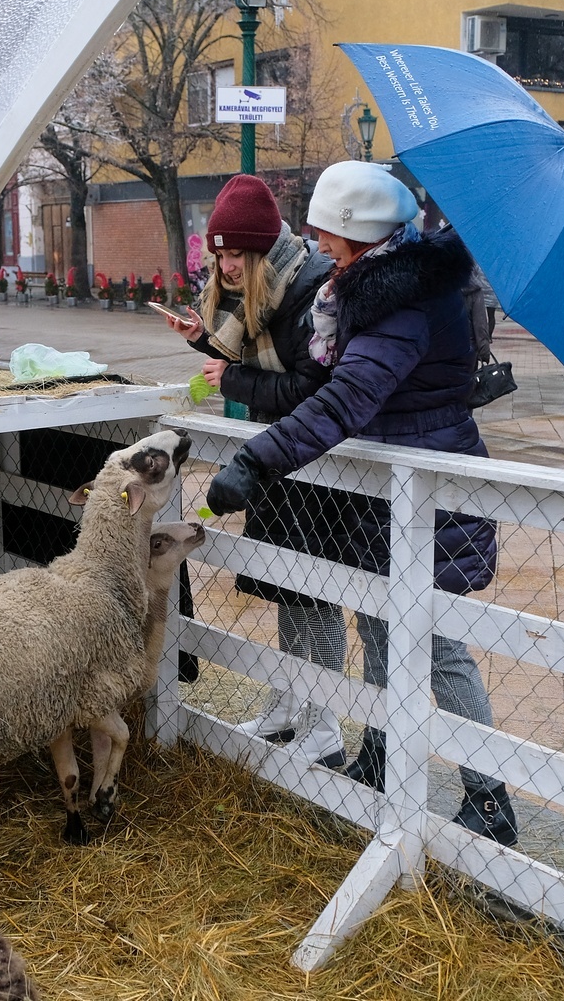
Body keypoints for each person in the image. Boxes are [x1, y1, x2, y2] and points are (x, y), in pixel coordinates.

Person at [203, 160, 517, 846]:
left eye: (329, 235)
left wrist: (256, 459)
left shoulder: (401, 301)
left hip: (428, 497)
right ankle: (377, 757)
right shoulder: (371, 287)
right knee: (378, 629)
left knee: (434, 647)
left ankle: (490, 802)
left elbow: (345, 398)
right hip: (388, 493)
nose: (320, 247)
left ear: (361, 232)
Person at [160, 174, 355, 768]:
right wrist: (203, 340)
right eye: (219, 255)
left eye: (237, 255)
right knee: (285, 588)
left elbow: (311, 387)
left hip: (315, 464)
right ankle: (288, 705)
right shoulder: (267, 292)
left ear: (263, 252)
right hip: (278, 459)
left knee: (315, 595)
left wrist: (233, 381)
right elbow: (244, 357)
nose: (226, 267)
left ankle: (324, 724)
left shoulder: (310, 291)